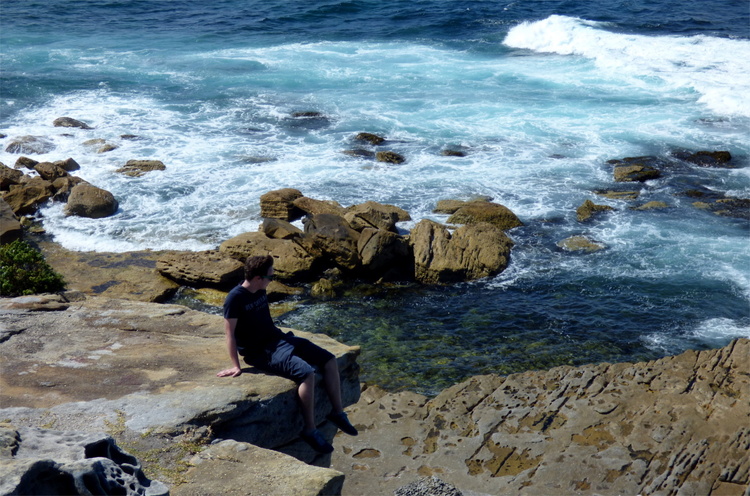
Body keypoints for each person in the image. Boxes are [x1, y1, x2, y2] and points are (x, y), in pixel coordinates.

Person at [217, 254, 357, 453]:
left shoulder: (259, 290)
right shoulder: (235, 298)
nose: (272, 281)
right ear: (258, 278)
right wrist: (236, 365)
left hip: (279, 339)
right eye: (270, 277)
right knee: (307, 373)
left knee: (328, 359)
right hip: (262, 351)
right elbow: (229, 333)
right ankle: (310, 430)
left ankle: (338, 413)